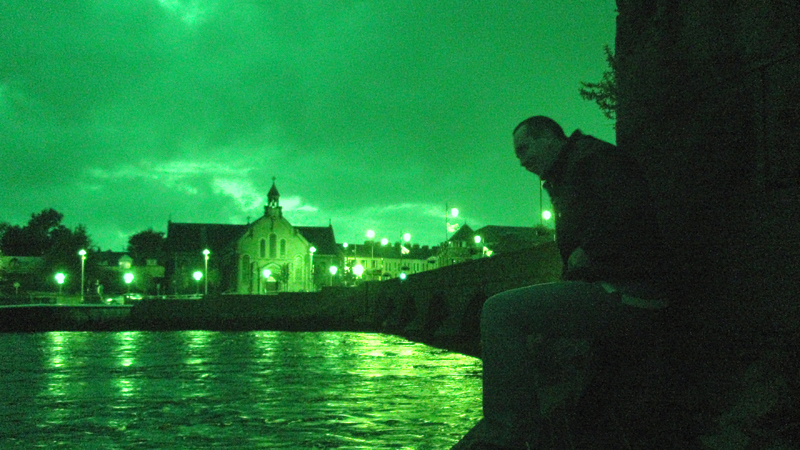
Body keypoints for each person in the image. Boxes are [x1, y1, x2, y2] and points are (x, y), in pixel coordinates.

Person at [451, 116, 672, 449]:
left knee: (498, 312)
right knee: (527, 326)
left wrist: (589, 250)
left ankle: (508, 431)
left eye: (524, 149)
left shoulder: (590, 160)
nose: (521, 160)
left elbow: (631, 210)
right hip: (617, 286)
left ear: (549, 138)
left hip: (629, 291)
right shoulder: (572, 170)